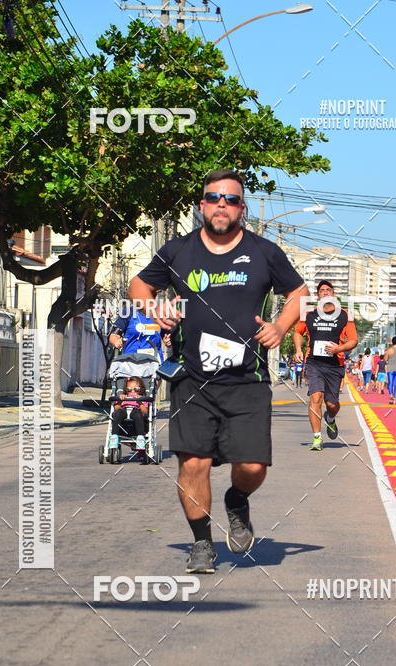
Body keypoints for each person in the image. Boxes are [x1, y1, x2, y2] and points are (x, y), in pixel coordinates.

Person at [128, 169, 307, 574]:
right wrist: (153, 308)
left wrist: (281, 325)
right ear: (202, 205)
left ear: (241, 208)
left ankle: (237, 501)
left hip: (248, 379)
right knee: (193, 464)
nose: (221, 205)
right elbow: (138, 286)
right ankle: (201, 543)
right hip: (193, 378)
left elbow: (298, 294)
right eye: (213, 198)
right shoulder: (177, 252)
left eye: (230, 199)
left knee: (252, 466)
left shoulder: (265, 252)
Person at [292, 280, 358, 450]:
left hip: (335, 365)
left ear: (333, 294)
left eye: (329, 290)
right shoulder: (308, 313)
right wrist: (298, 349)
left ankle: (330, 418)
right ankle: (317, 438)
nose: (326, 293)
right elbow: (297, 333)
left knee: (332, 404)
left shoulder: (344, 315)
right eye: (322, 290)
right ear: (317, 295)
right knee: (316, 397)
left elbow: (354, 340)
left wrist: (339, 348)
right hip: (314, 363)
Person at [110, 377, 149, 451]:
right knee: (117, 413)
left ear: (141, 389)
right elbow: (116, 408)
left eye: (136, 389)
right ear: (126, 390)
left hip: (136, 411)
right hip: (124, 411)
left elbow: (145, 411)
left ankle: (140, 437)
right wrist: (120, 400)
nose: (132, 391)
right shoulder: (124, 397)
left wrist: (140, 402)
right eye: (129, 389)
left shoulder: (143, 398)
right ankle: (114, 436)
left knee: (138, 414)